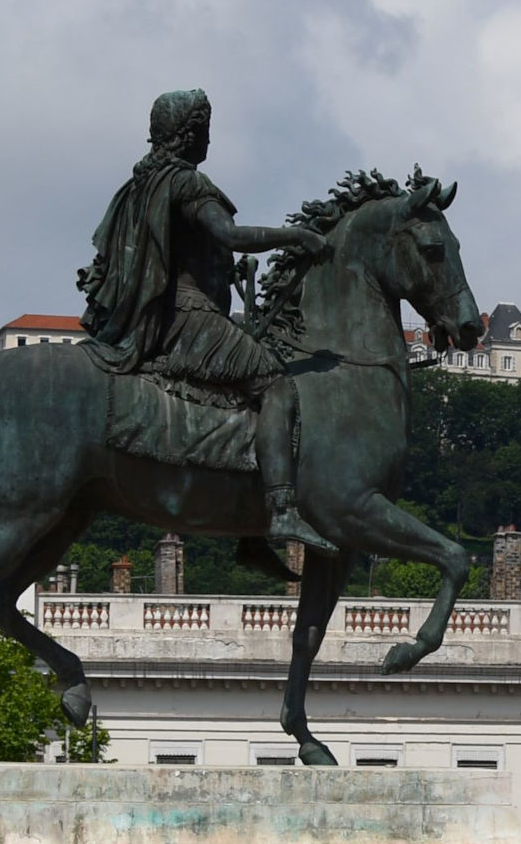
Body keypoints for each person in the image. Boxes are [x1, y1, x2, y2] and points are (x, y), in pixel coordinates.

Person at [77, 88, 338, 553]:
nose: (209, 141)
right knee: (276, 384)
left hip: (157, 315)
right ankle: (281, 510)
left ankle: (250, 536)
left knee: (240, 390)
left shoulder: (140, 184)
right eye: (205, 131)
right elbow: (229, 234)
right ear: (189, 135)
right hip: (186, 315)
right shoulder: (185, 182)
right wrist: (296, 236)